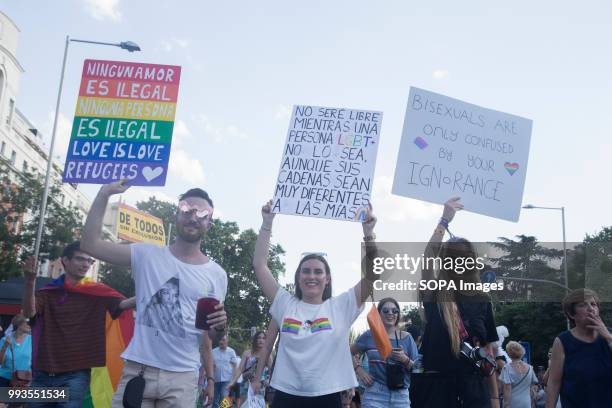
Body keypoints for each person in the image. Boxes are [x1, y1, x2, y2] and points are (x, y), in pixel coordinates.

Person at [81, 180, 228, 407]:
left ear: (209, 223)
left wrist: (219, 327)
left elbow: (210, 337)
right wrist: (104, 193)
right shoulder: (146, 254)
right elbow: (90, 245)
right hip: (138, 370)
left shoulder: (217, 275)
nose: (193, 217)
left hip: (183, 377)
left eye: (202, 213)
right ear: (175, 214)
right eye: (187, 209)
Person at [252, 200, 378, 408]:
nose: (312, 276)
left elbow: (373, 275)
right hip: (286, 395)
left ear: (327, 279)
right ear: (298, 277)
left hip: (327, 397)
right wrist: (267, 223)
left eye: (318, 271)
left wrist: (368, 232)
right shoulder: (285, 303)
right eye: (306, 271)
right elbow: (259, 265)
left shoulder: (342, 305)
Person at [409, 197, 499, 408]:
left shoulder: (482, 300)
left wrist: (495, 398)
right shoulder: (435, 295)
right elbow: (427, 260)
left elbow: (488, 353)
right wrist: (444, 221)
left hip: (474, 391)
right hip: (436, 391)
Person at [21, 242, 135, 408]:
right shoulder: (47, 292)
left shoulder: (98, 292)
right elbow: (28, 313)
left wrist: (148, 294)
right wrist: (30, 281)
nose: (86, 264)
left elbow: (123, 304)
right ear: (65, 261)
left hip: (75, 376)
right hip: (42, 375)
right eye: (81, 259)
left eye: (90, 261)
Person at [545, 288, 612, 407]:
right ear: (571, 314)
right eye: (583, 305)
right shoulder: (563, 341)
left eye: (593, 304)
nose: (591, 308)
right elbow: (554, 383)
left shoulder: (609, 336)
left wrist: (607, 336)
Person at [351, 297, 419, 407]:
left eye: (394, 310)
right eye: (386, 311)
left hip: (400, 396)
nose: (390, 313)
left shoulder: (407, 338)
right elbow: (347, 352)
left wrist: (404, 359)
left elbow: (418, 368)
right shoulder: (369, 335)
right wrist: (358, 369)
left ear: (398, 314)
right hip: (375, 393)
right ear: (378, 314)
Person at [228, 331, 272, 407]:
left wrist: (269, 380)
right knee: (243, 405)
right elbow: (240, 369)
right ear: (255, 340)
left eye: (263, 338)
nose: (261, 340)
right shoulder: (247, 353)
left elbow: (271, 371)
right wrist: (233, 382)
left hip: (259, 387)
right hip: (246, 384)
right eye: (259, 338)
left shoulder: (267, 355)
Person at [499, 341, 538, 408]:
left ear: (509, 353)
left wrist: (506, 404)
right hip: (526, 403)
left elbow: (507, 388)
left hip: (512, 403)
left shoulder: (506, 368)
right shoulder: (530, 368)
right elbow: (534, 385)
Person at [0, 314, 32, 387]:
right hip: (5, 379)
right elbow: (1, 362)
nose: (30, 325)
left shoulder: (32, 340)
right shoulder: (5, 340)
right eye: (27, 323)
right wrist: (4, 347)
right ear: (19, 325)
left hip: (24, 380)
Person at [211, 335, 237, 408]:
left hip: (227, 379)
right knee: (215, 399)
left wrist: (233, 380)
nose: (221, 342)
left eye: (223, 340)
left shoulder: (231, 351)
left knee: (224, 396)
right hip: (215, 379)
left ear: (227, 341)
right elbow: (211, 365)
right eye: (220, 340)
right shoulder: (213, 351)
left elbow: (235, 366)